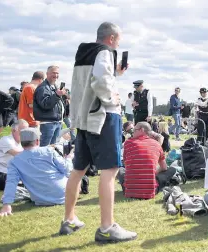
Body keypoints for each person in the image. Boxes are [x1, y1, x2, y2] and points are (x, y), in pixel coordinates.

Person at [61, 21, 138, 242]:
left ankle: (69, 219)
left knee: (78, 170)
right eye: (118, 40)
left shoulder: (84, 53)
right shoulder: (105, 52)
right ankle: (106, 227)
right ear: (112, 39)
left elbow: (88, 81)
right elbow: (100, 81)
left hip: (84, 119)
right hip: (104, 116)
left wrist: (117, 74)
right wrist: (112, 99)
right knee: (110, 170)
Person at [0, 128, 73, 217]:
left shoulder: (14, 161)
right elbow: (67, 169)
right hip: (66, 195)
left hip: (41, 200)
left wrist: (7, 204)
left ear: (22, 142)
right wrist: (69, 158)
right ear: (37, 141)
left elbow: (11, 182)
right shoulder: (49, 152)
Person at [121, 122, 169, 199]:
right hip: (150, 191)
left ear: (142, 130)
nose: (132, 132)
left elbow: (127, 166)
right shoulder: (157, 144)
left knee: (120, 170)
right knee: (171, 170)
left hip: (129, 191)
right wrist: (153, 171)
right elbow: (164, 168)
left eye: (134, 130)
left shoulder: (127, 143)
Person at [0, 120, 28, 190]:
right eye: (23, 130)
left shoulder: (21, 144)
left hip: (4, 174)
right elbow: (18, 154)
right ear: (13, 130)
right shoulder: (6, 140)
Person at [33, 66, 66, 146]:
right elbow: (45, 104)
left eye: (57, 73)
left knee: (53, 148)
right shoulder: (43, 87)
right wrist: (57, 95)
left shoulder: (54, 86)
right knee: (45, 148)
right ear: (47, 74)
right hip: (48, 124)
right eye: (53, 73)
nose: (56, 75)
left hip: (56, 122)